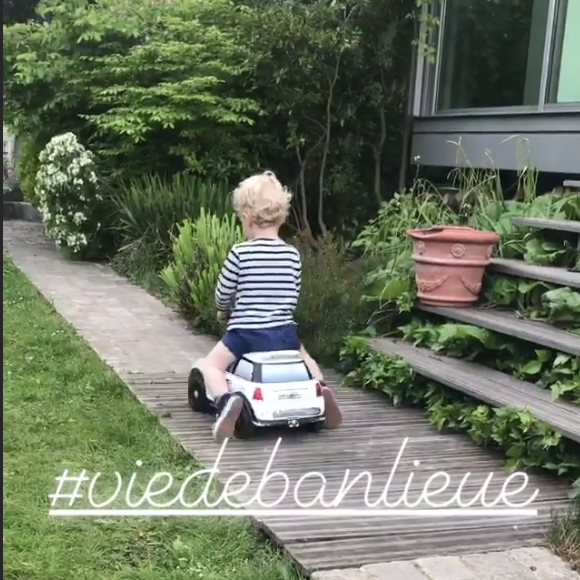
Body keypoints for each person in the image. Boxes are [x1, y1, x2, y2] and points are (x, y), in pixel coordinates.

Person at [193, 170, 343, 441]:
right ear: (281, 215)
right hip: (284, 333)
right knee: (305, 358)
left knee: (210, 366)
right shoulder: (291, 254)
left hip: (246, 335)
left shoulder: (240, 253)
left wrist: (222, 310)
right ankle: (320, 388)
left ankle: (225, 403)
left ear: (247, 218)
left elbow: (223, 292)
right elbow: (293, 296)